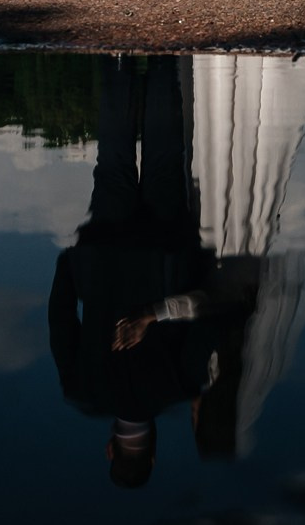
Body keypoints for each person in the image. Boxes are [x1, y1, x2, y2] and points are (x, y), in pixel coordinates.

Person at [46, 56, 251, 488]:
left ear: (152, 454)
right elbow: (61, 320)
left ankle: (161, 59)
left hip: (165, 250)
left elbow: (208, 315)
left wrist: (154, 313)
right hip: (105, 252)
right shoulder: (80, 390)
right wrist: (71, 265)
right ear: (110, 448)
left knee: (163, 155)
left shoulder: (179, 386)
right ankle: (117, 59)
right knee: (113, 157)